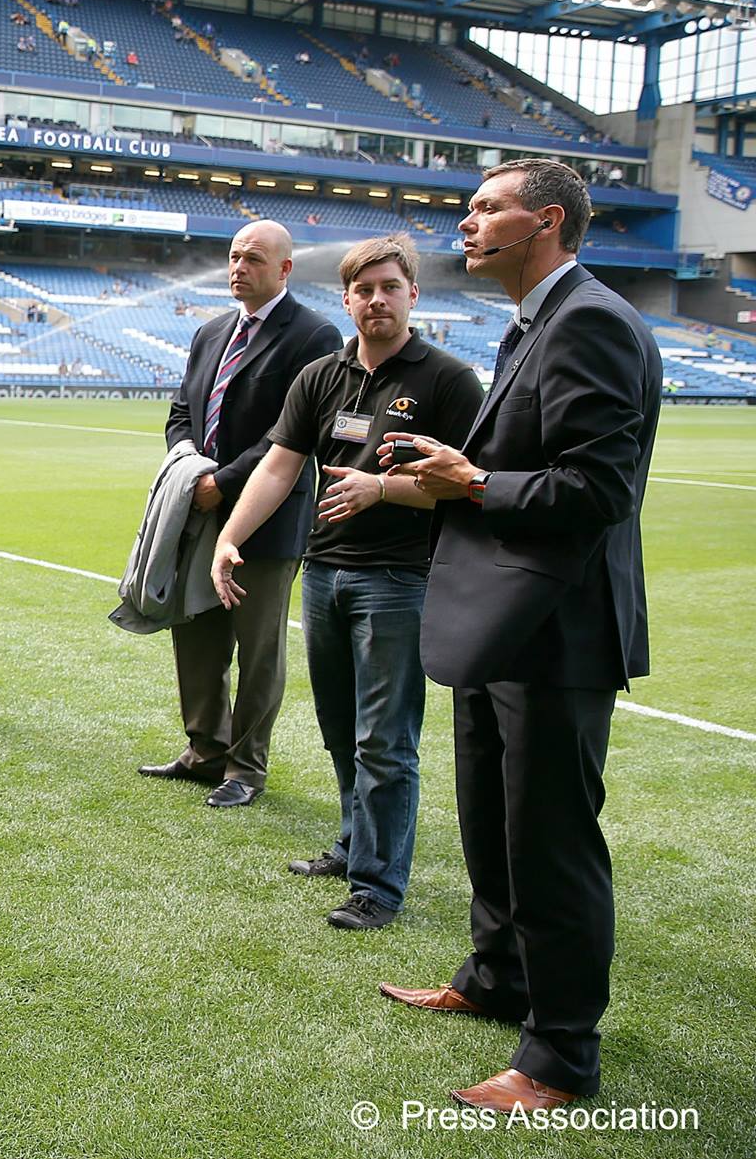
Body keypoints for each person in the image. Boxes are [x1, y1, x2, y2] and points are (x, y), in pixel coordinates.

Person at [377, 159, 662, 1113]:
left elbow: (598, 492)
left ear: (544, 221)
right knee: (494, 830)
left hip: (558, 632)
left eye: (485, 206)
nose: (465, 220)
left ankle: (559, 1060)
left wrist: (473, 483)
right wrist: (455, 472)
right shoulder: (535, 319)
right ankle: (496, 979)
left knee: (550, 843)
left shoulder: (589, 320)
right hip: (503, 624)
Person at [210, 234, 482, 930]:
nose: (377, 300)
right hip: (323, 571)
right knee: (339, 726)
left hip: (399, 580)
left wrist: (382, 488)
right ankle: (352, 843)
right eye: (364, 290)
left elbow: (465, 488)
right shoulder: (322, 376)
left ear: (413, 295)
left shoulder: (447, 380)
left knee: (385, 739)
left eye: (391, 287)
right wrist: (230, 536)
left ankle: (379, 886)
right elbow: (278, 465)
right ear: (347, 298)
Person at [141, 221, 341, 806]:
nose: (237, 267)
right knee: (195, 633)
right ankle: (205, 749)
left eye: (252, 258)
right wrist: (189, 467)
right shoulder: (211, 332)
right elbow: (183, 410)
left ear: (284, 269)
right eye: (232, 257)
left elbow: (291, 433)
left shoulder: (312, 335)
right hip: (197, 509)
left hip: (268, 521)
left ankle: (245, 768)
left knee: (258, 650)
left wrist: (222, 482)